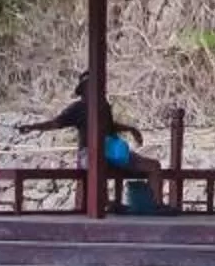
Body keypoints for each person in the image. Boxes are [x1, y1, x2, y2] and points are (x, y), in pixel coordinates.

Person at [18, 70, 157, 212]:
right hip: (88, 153)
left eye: (99, 85)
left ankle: (155, 205)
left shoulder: (104, 106)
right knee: (99, 162)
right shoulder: (77, 108)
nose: (98, 88)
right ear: (84, 89)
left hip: (111, 150)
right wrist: (33, 127)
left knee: (153, 166)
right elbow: (56, 123)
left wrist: (131, 129)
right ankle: (106, 203)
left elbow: (110, 126)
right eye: (92, 85)